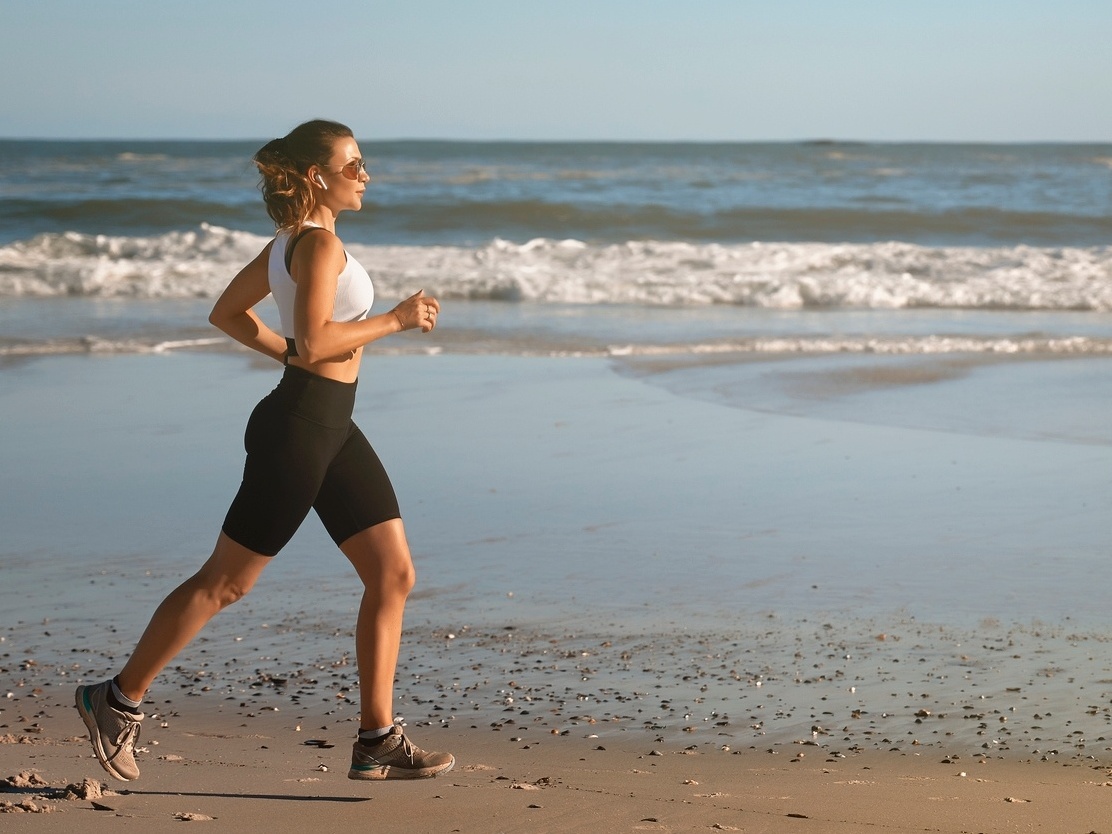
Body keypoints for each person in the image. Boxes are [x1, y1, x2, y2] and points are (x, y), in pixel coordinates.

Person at [75, 119, 454, 782]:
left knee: (392, 574)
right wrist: (394, 320)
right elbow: (314, 341)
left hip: (330, 425)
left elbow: (229, 314)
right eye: (353, 164)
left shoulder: (293, 244)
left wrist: (290, 352)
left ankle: (376, 737)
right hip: (299, 429)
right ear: (318, 175)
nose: (365, 174)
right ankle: (115, 700)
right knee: (227, 581)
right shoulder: (316, 248)